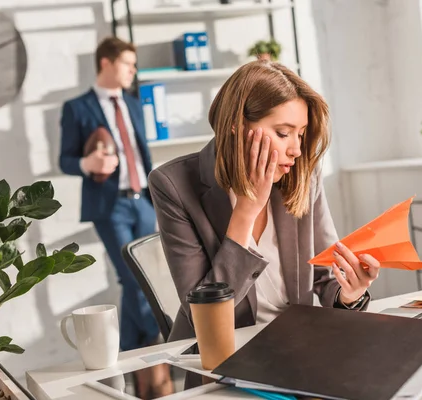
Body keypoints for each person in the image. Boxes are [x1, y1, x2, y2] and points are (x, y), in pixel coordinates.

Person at [148, 60, 381, 342]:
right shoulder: (173, 184)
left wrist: (350, 293)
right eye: (282, 133)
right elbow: (203, 315)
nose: (295, 149)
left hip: (299, 347)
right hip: (222, 355)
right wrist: (245, 212)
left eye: (301, 134)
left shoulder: (303, 174)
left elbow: (325, 276)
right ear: (236, 125)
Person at [58, 37, 159, 352]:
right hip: (110, 205)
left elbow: (142, 153)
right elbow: (65, 160)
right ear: (106, 62)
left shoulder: (133, 103)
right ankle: (165, 338)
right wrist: (88, 163)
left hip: (144, 201)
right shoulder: (77, 108)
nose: (133, 70)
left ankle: (130, 349)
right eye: (128, 63)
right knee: (133, 278)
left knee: (149, 279)